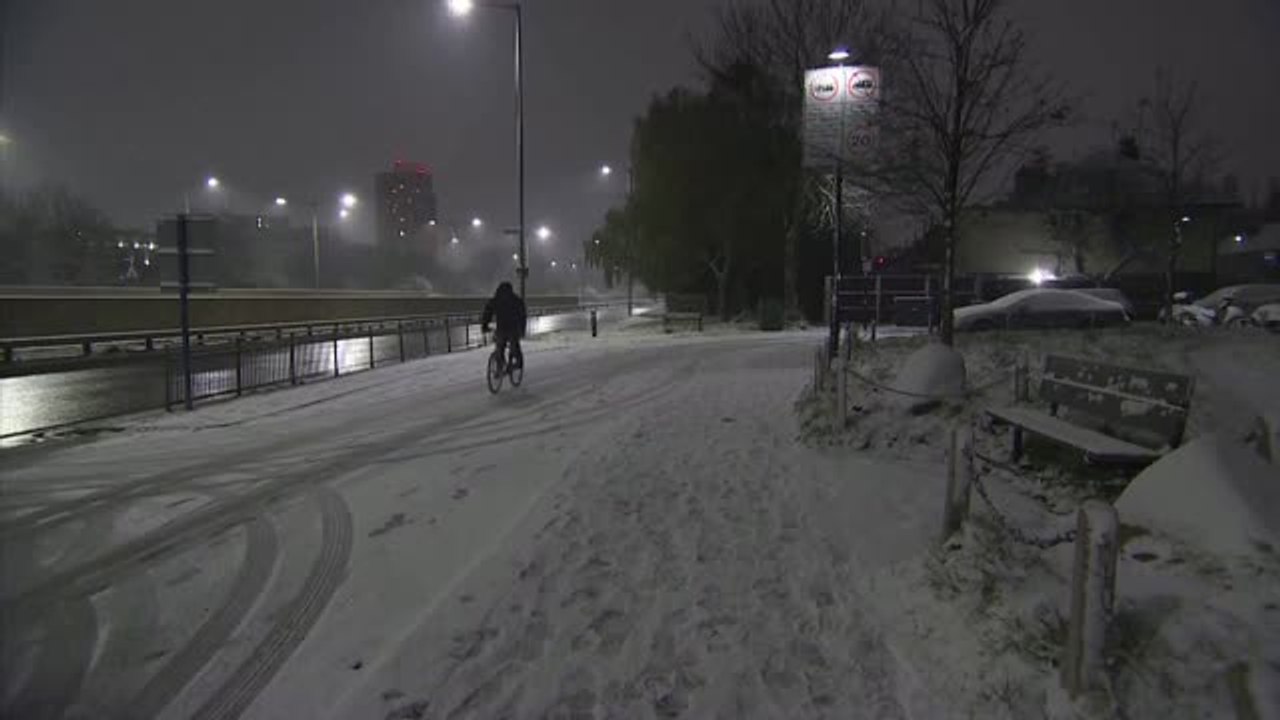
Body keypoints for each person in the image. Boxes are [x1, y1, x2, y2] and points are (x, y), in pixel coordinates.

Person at [481, 281, 527, 370]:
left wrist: (485, 325)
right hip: (513, 328)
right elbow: (522, 316)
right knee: (514, 346)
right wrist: (522, 329)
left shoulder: (496, 300)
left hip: (501, 328)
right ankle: (518, 362)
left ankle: (500, 367)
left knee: (500, 347)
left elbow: (487, 313)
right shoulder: (516, 300)